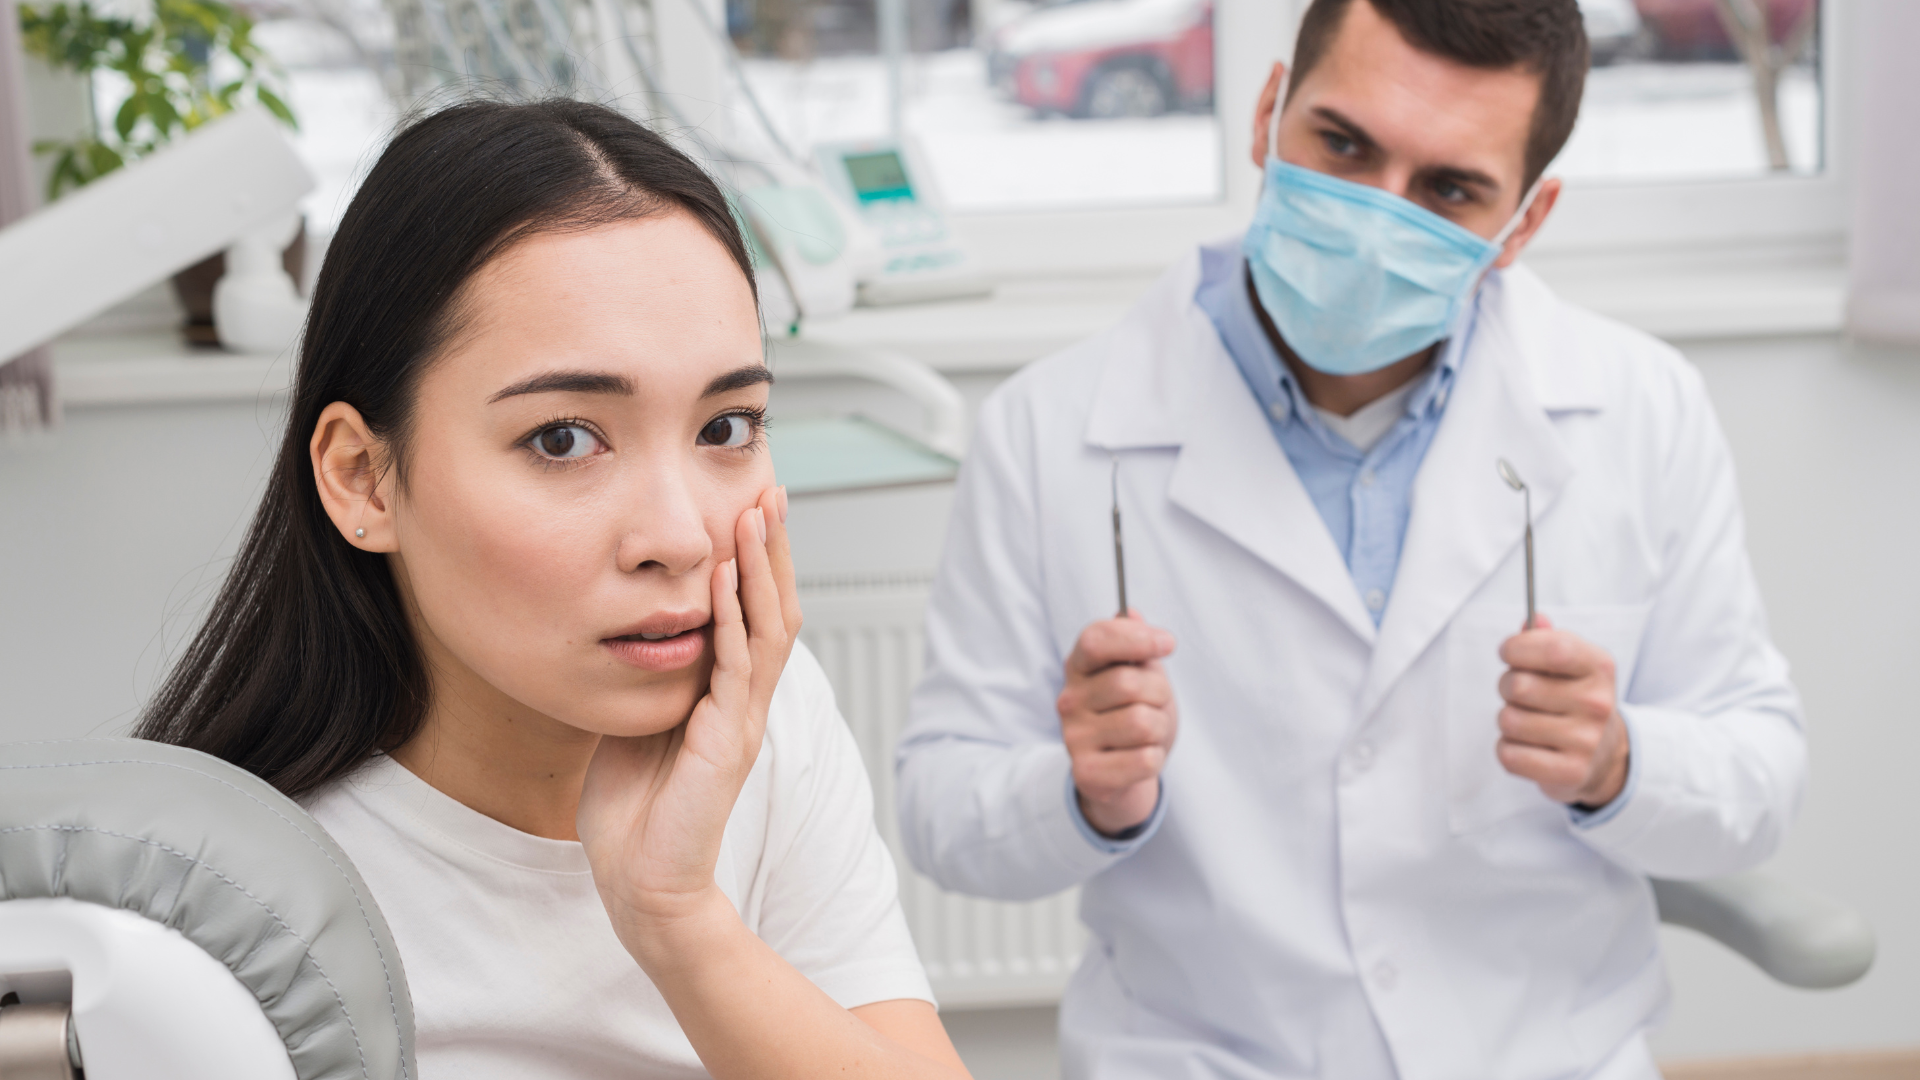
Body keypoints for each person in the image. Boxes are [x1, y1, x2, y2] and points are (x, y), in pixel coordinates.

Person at [896, 1, 1806, 1078]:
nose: (1377, 216)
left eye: (1450, 189)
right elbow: (941, 809)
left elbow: (1760, 776)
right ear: (1268, 111)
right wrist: (1080, 795)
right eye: (1343, 144)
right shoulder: (1050, 432)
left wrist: (1619, 763)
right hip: (1204, 1057)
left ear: (1526, 220)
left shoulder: (1642, 411)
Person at [137, 100, 972, 1080]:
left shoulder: (769, 720)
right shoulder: (230, 901)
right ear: (363, 477)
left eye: (726, 428)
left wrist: (678, 921)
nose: (678, 537)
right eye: (563, 439)